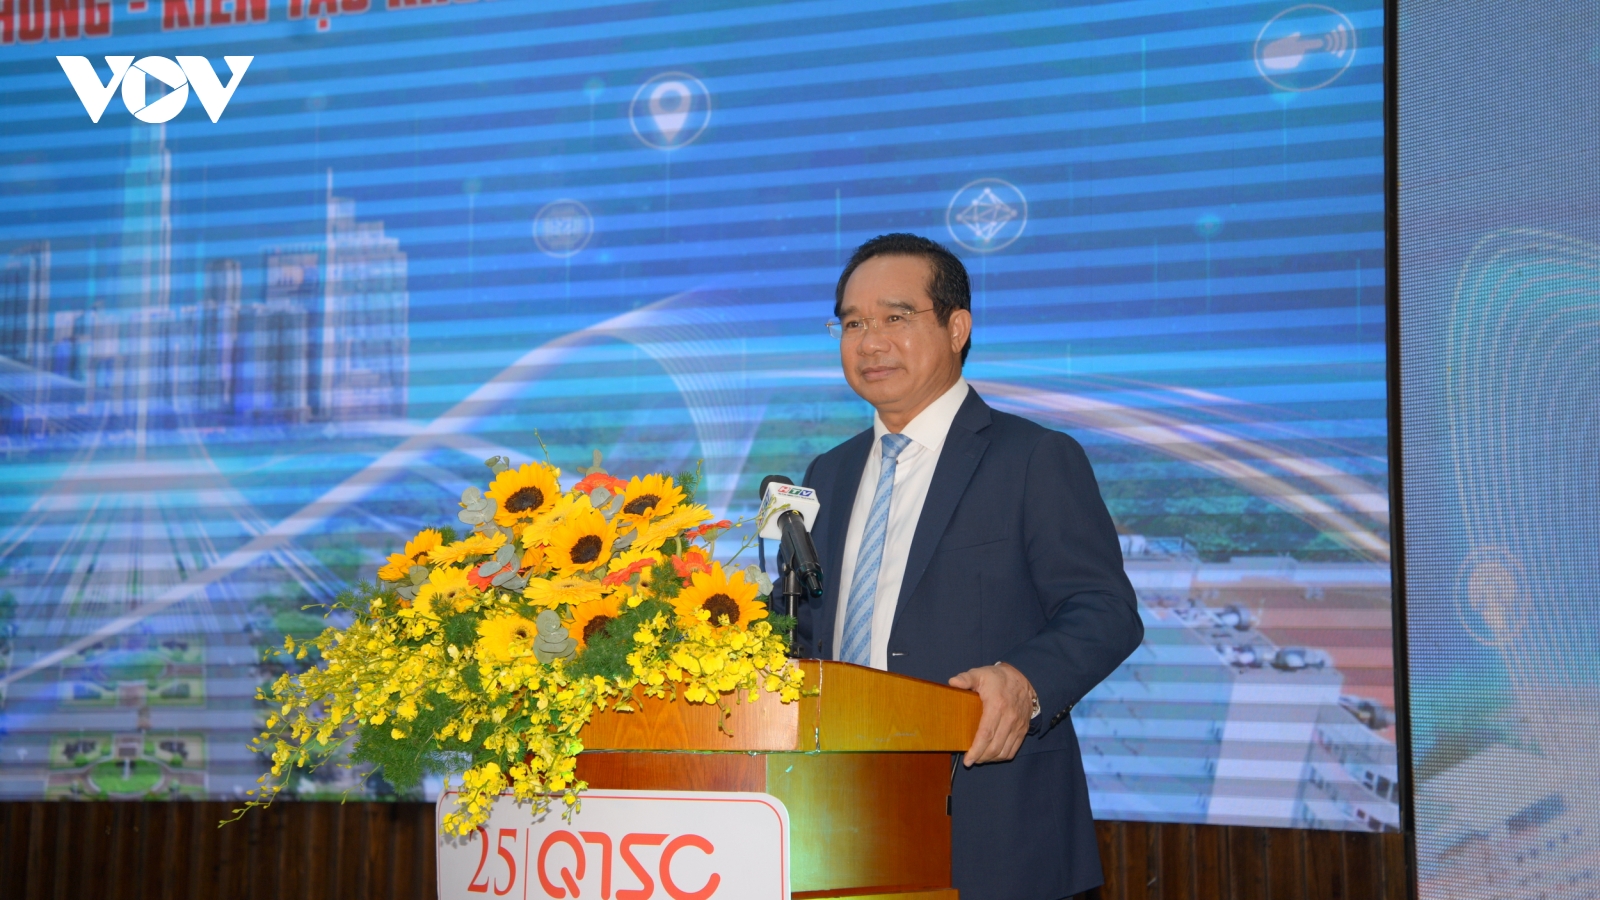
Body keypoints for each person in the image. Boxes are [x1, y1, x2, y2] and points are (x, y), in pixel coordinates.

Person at [795, 233, 1144, 900]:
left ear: (957, 328)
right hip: (839, 819)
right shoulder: (827, 474)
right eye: (853, 324)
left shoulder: (1033, 458)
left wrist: (1025, 680)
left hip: (994, 823)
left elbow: (1105, 611)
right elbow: (807, 629)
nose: (870, 343)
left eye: (896, 317)